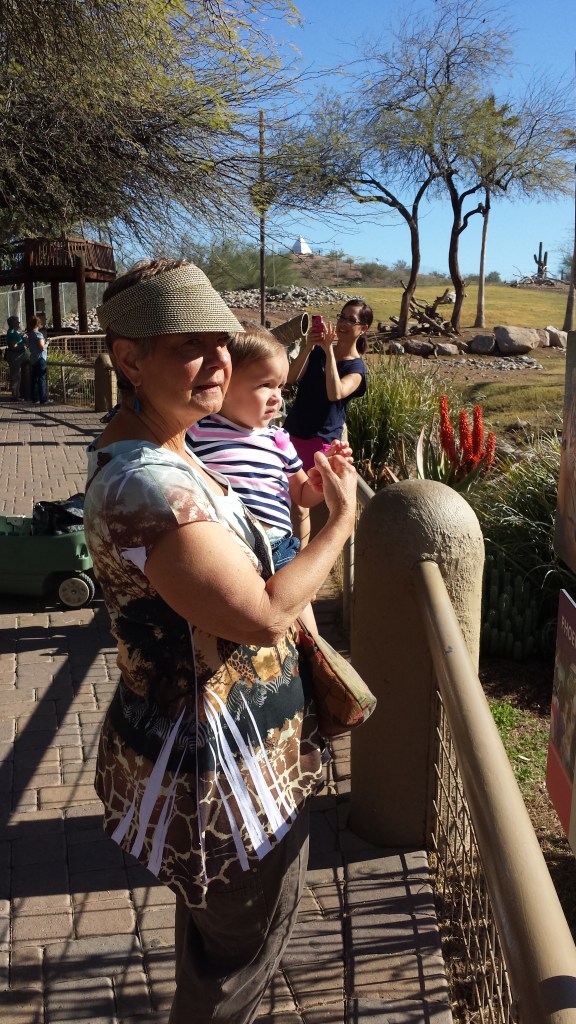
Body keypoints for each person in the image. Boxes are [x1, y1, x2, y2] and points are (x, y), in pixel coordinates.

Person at [83, 259, 357, 1024]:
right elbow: (263, 614)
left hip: (218, 757)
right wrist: (338, 524)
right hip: (223, 779)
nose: (216, 362)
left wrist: (297, 508)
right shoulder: (145, 482)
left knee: (217, 944)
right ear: (129, 358)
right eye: (188, 346)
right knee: (238, 960)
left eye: (222, 344)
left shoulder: (166, 446)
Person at [186, 323, 353, 633]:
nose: (277, 397)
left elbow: (302, 494)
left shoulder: (278, 439)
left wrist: (320, 479)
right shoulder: (197, 431)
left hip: (279, 549)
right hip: (227, 549)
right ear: (224, 383)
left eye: (281, 387)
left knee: (307, 633)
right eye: (265, 385)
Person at [283, 298, 372, 545]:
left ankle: (305, 556)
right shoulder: (318, 353)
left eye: (351, 320)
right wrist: (309, 347)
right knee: (292, 503)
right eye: (342, 316)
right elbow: (290, 378)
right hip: (293, 434)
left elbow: (335, 392)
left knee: (309, 506)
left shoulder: (357, 369)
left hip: (320, 442)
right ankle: (292, 554)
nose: (343, 323)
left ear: (363, 328)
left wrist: (329, 351)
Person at [27, 315, 52, 405]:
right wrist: (47, 342)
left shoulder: (30, 335)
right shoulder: (39, 334)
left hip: (33, 358)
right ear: (38, 324)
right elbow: (42, 348)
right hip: (40, 358)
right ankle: (43, 399)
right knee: (41, 379)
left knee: (34, 379)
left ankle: (35, 398)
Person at [5, 314, 27, 402]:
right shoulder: (12, 333)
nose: (19, 324)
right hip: (15, 356)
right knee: (16, 376)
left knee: (16, 375)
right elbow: (14, 346)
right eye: (18, 322)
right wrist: (23, 343)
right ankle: (15, 395)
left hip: (17, 356)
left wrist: (21, 338)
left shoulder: (13, 332)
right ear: (14, 324)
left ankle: (16, 394)